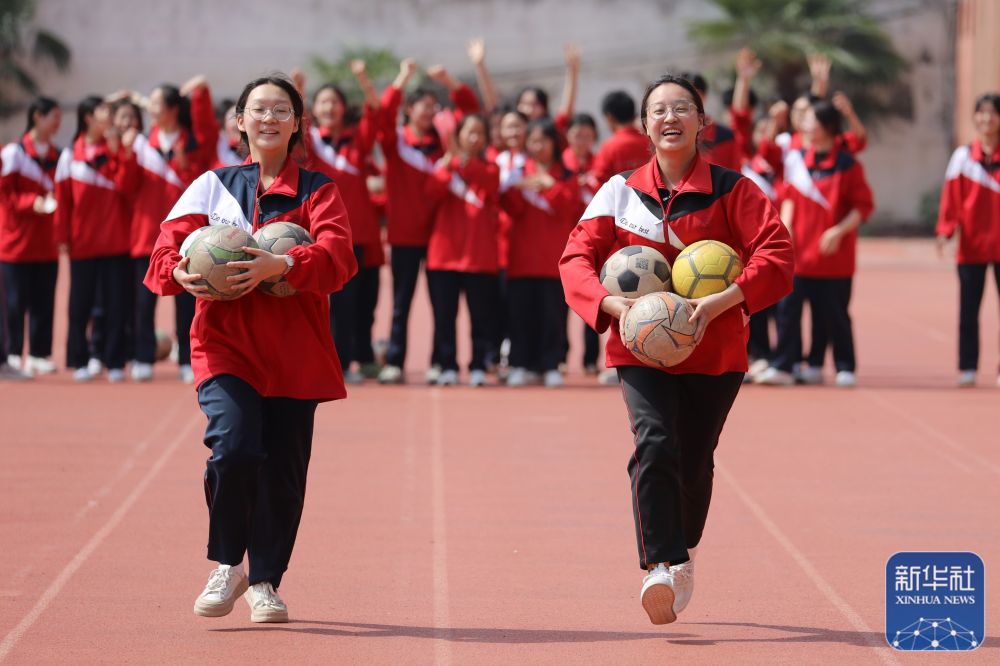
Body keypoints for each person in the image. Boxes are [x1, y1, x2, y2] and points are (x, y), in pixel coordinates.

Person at [560, 74, 792, 624]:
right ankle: (659, 565)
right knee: (654, 442)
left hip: (716, 351)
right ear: (644, 125)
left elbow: (777, 255)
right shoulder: (617, 191)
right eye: (659, 109)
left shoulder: (734, 189)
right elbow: (574, 260)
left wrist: (723, 302)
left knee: (694, 459)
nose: (670, 117)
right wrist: (611, 307)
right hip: (639, 347)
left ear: (702, 123)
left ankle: (680, 551)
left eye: (682, 108)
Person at [144, 73, 356, 623]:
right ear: (239, 121)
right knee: (234, 450)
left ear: (296, 123)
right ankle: (227, 564)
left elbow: (338, 258)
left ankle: (264, 581)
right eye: (258, 109)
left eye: (281, 110)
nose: (269, 118)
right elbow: (162, 256)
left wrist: (282, 263)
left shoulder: (318, 191)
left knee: (284, 473)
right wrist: (182, 273)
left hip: (296, 353)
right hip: (226, 346)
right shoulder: (210, 187)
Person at [755, 100, 874, 388]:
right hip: (799, 255)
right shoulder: (796, 159)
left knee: (834, 314)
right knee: (788, 311)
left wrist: (837, 231)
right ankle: (784, 365)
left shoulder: (847, 164)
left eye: (811, 120)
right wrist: (786, 230)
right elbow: (789, 197)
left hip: (834, 257)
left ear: (827, 127)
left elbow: (863, 206)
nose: (805, 125)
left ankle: (844, 366)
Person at [376, 58, 479, 384]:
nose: (430, 112)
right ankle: (395, 361)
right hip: (404, 236)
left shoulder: (444, 146)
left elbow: (471, 111)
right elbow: (380, 116)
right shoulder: (396, 143)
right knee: (401, 304)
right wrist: (403, 77)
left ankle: (440, 361)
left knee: (441, 307)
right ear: (409, 110)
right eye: (423, 106)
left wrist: (450, 81)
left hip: (438, 238)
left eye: (435, 107)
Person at [125, 78, 216, 383]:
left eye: (155, 103)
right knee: (142, 303)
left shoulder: (193, 142)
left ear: (173, 109)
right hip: (145, 235)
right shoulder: (140, 144)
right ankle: (142, 356)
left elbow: (207, 132)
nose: (149, 109)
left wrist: (199, 92)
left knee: (187, 301)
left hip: (187, 236)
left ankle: (186, 359)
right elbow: (127, 186)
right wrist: (125, 155)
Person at [295, 63, 381, 384]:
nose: (329, 107)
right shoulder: (311, 143)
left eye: (335, 102)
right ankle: (338, 362)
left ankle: (360, 356)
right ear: (314, 109)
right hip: (322, 234)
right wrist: (298, 90)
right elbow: (296, 124)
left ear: (344, 108)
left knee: (362, 302)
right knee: (332, 303)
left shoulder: (356, 140)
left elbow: (375, 111)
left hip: (358, 232)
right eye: (323, 102)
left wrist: (362, 78)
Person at [54, 96, 134, 383]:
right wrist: (61, 236)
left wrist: (118, 153)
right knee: (80, 305)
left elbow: (128, 188)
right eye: (105, 112)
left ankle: (114, 360)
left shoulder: (119, 150)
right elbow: (63, 201)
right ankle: (79, 359)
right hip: (82, 244)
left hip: (116, 241)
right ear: (88, 117)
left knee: (116, 304)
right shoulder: (70, 156)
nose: (111, 118)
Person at [502, 117, 581, 388]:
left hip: (553, 260)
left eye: (542, 141)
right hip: (521, 259)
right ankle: (521, 364)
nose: (537, 146)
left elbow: (570, 208)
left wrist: (550, 185)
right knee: (520, 315)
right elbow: (510, 207)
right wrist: (517, 188)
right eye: (532, 141)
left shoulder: (567, 176)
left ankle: (551, 364)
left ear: (554, 143)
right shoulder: (519, 172)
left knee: (553, 317)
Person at [425, 113, 501, 386]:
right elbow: (432, 193)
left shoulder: (491, 168)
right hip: (443, 256)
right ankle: (447, 365)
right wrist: (447, 166)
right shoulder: (442, 166)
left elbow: (486, 182)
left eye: (480, 132)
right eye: (469, 132)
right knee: (444, 317)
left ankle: (478, 365)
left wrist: (457, 160)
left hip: (479, 257)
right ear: (458, 136)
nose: (475, 138)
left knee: (480, 317)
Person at [936, 92, 1000, 387]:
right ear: (975, 117)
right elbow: (951, 199)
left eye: (992, 113)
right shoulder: (963, 156)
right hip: (972, 245)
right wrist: (945, 232)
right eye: (981, 112)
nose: (986, 118)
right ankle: (967, 367)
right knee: (968, 309)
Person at [0, 97, 62, 377]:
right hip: (15, 242)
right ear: (37, 116)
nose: (58, 123)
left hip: (46, 242)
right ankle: (12, 354)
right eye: (54, 117)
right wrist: (31, 203)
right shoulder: (14, 153)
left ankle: (38, 353)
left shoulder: (57, 154)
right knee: (13, 303)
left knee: (43, 300)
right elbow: (5, 193)